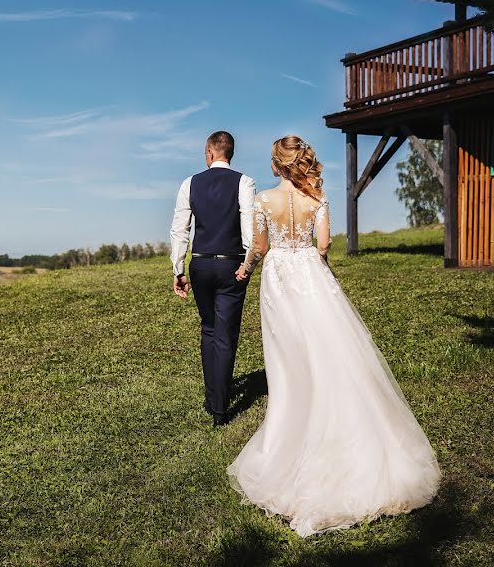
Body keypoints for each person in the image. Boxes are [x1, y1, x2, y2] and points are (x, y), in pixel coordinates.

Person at [226, 134, 441, 537]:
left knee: (288, 364)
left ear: (276, 165)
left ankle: (293, 439)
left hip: (278, 279)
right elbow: (323, 245)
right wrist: (313, 259)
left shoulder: (263, 201)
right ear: (300, 162)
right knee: (332, 352)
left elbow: (258, 244)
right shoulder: (317, 199)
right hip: (310, 274)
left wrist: (247, 267)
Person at [169, 131, 256, 426]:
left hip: (201, 265)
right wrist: (248, 265)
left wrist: (178, 269)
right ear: (230, 152)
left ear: (209, 152)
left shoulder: (189, 184)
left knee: (208, 330)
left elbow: (180, 230)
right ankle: (220, 411)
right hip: (232, 265)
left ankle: (212, 398)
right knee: (226, 335)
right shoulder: (244, 182)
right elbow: (249, 229)